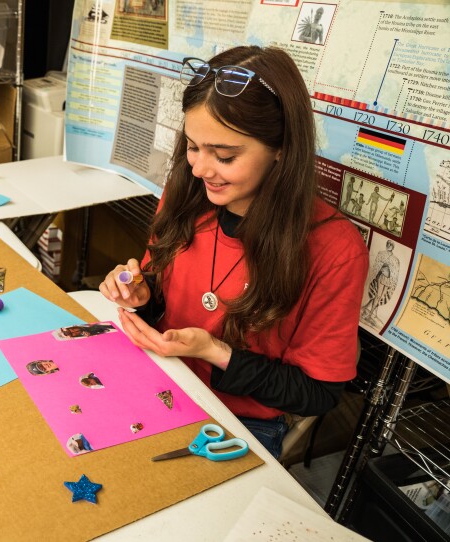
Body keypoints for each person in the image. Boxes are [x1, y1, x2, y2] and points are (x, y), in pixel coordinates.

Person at [99, 46, 369, 458]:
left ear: (281, 149)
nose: (200, 169)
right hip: (160, 381)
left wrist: (214, 352)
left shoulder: (333, 248)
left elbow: (318, 393)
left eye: (224, 156)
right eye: (192, 147)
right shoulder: (185, 196)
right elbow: (164, 294)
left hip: (239, 424)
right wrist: (142, 297)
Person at [361, 240, 400, 325]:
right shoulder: (381, 253)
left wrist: (389, 272)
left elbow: (395, 272)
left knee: (380, 296)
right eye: (388, 244)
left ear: (392, 247)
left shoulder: (395, 259)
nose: (388, 245)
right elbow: (377, 265)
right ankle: (370, 314)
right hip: (381, 277)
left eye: (390, 245)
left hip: (388, 280)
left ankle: (367, 309)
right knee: (378, 295)